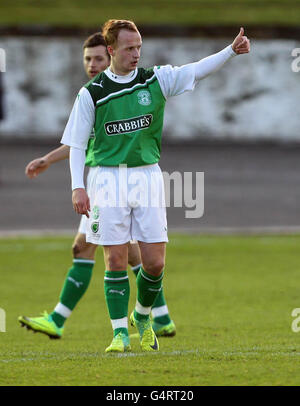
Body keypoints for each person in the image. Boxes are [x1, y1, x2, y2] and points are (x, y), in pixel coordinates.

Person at [61, 20, 250, 353]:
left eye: (139, 47)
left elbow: (196, 70)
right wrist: (78, 187)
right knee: (115, 258)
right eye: (129, 48)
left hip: (147, 176)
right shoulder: (92, 93)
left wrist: (230, 52)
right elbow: (77, 144)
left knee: (155, 262)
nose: (136, 54)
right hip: (107, 178)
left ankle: (142, 315)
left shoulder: (155, 80)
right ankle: (119, 333)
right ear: (111, 50)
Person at [18, 32, 176, 340]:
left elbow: (83, 143)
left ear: (111, 57)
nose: (92, 65)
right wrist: (49, 159)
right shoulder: (94, 95)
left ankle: (59, 319)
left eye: (98, 59)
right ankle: (161, 316)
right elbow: (79, 142)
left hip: (109, 185)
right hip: (103, 183)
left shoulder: (114, 92)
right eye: (88, 59)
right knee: (121, 253)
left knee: (102, 250)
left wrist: (55, 165)